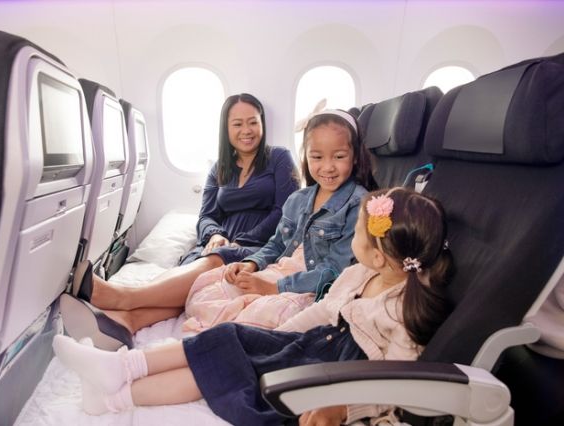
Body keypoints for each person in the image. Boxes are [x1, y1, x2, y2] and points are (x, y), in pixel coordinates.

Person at [52, 187, 454, 425]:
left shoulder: (404, 312)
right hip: (307, 346)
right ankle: (122, 367)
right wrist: (274, 337)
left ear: (380, 257)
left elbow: (394, 382)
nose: (353, 240)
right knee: (229, 336)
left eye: (358, 235)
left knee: (221, 369)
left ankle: (111, 399)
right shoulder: (358, 274)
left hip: (326, 375)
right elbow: (321, 313)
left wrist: (345, 408)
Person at [62, 93, 299, 342]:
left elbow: (285, 212)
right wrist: (214, 234)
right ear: (226, 129)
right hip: (221, 243)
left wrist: (241, 241)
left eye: (252, 122)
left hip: (260, 245)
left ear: (262, 123)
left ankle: (124, 297)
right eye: (237, 124)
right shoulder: (219, 168)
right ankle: (126, 322)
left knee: (212, 262)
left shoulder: (279, 158)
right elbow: (206, 215)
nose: (246, 130)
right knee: (193, 274)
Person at [183, 109, 376, 332]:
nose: (328, 167)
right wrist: (251, 264)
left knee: (263, 314)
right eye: (317, 157)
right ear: (306, 156)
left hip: (308, 288)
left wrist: (273, 287)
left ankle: (227, 333)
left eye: (339, 156)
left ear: (355, 156)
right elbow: (276, 245)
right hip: (278, 272)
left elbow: (335, 271)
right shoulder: (298, 199)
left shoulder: (358, 205)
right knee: (206, 290)